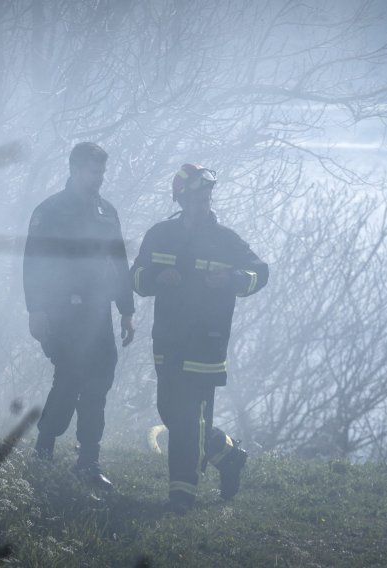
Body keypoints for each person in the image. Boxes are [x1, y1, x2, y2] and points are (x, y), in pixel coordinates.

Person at [130, 163, 268, 513]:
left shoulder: (226, 241)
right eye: (194, 200)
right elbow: (136, 279)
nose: (201, 206)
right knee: (172, 413)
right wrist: (158, 277)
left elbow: (259, 272)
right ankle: (227, 454)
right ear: (180, 199)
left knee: (191, 419)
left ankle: (182, 496)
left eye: (206, 199)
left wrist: (234, 279)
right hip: (168, 340)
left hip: (207, 343)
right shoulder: (160, 234)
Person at [23, 142, 135, 490]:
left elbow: (118, 262)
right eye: (92, 171)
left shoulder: (107, 212)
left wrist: (126, 310)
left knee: (99, 378)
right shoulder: (51, 210)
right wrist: (36, 310)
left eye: (101, 172)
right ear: (74, 169)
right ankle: (45, 446)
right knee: (70, 378)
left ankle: (88, 461)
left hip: (97, 312)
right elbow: (33, 263)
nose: (98, 178)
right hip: (60, 311)